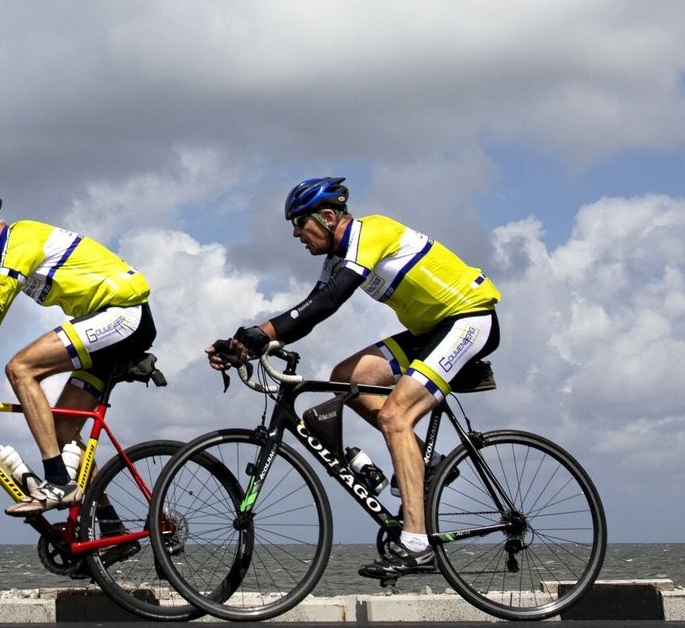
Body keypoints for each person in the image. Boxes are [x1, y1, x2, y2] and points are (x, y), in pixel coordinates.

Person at [207, 177, 501, 578]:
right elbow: (309, 311)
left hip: (468, 318)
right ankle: (428, 464)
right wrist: (244, 344)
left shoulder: (370, 232)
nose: (295, 234)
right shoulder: (336, 259)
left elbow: (329, 301)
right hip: (429, 331)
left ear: (328, 217)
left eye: (299, 223)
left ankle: (417, 545)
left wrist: (262, 332)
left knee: (394, 417)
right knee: (347, 378)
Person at [0, 184, 156, 518]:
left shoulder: (22, 239)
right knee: (62, 431)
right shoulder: (12, 257)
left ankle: (58, 482)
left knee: (20, 368)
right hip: (109, 324)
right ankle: (111, 526)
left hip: (123, 313)